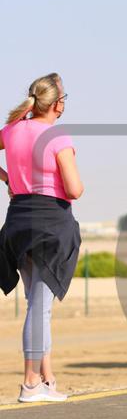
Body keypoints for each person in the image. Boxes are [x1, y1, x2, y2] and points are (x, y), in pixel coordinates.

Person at [0, 73, 83, 402]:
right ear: (57, 104)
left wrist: (8, 179)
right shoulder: (56, 136)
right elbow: (74, 189)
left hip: (18, 220)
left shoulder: (12, 130)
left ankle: (47, 379)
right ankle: (31, 382)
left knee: (37, 304)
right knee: (40, 307)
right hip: (50, 223)